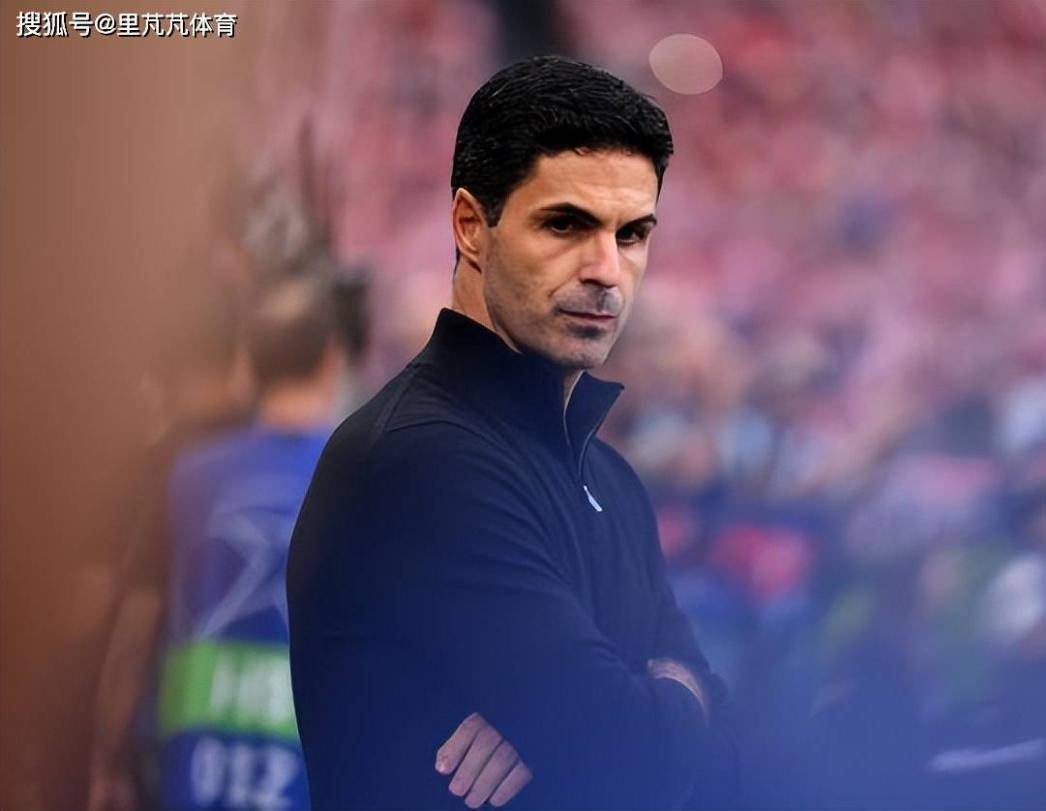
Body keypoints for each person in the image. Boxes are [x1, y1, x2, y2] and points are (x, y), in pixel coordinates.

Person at [287, 56, 738, 810]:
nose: (606, 270)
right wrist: (668, 686)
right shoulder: (418, 459)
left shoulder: (612, 479)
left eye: (632, 234)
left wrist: (644, 699)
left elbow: (726, 763)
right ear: (471, 226)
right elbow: (627, 757)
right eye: (565, 224)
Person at [154, 273, 345, 811]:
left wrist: (110, 754)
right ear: (331, 361)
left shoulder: (188, 475)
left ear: (249, 365)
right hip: (308, 776)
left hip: (193, 765)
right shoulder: (365, 477)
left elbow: (139, 619)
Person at [88, 283, 253, 811]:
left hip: (168, 749)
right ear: (240, 354)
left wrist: (106, 756)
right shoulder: (275, 458)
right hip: (265, 754)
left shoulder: (150, 471)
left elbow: (131, 623)